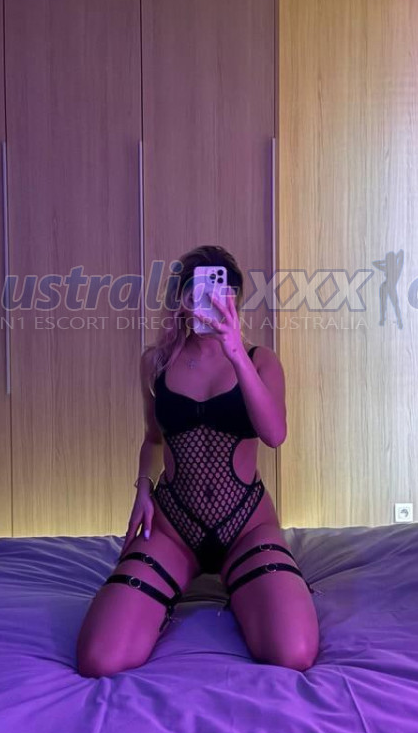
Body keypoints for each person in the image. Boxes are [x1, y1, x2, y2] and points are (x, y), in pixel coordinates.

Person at [76, 245, 319, 676]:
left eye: (219, 290)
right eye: (196, 290)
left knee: (292, 652)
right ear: (182, 298)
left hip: (246, 524)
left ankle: (243, 586)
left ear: (235, 298)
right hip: (173, 526)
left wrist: (234, 351)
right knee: (100, 658)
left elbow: (274, 435)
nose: (207, 299)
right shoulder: (155, 363)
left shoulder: (260, 360)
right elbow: (153, 439)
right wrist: (143, 488)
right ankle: (176, 589)